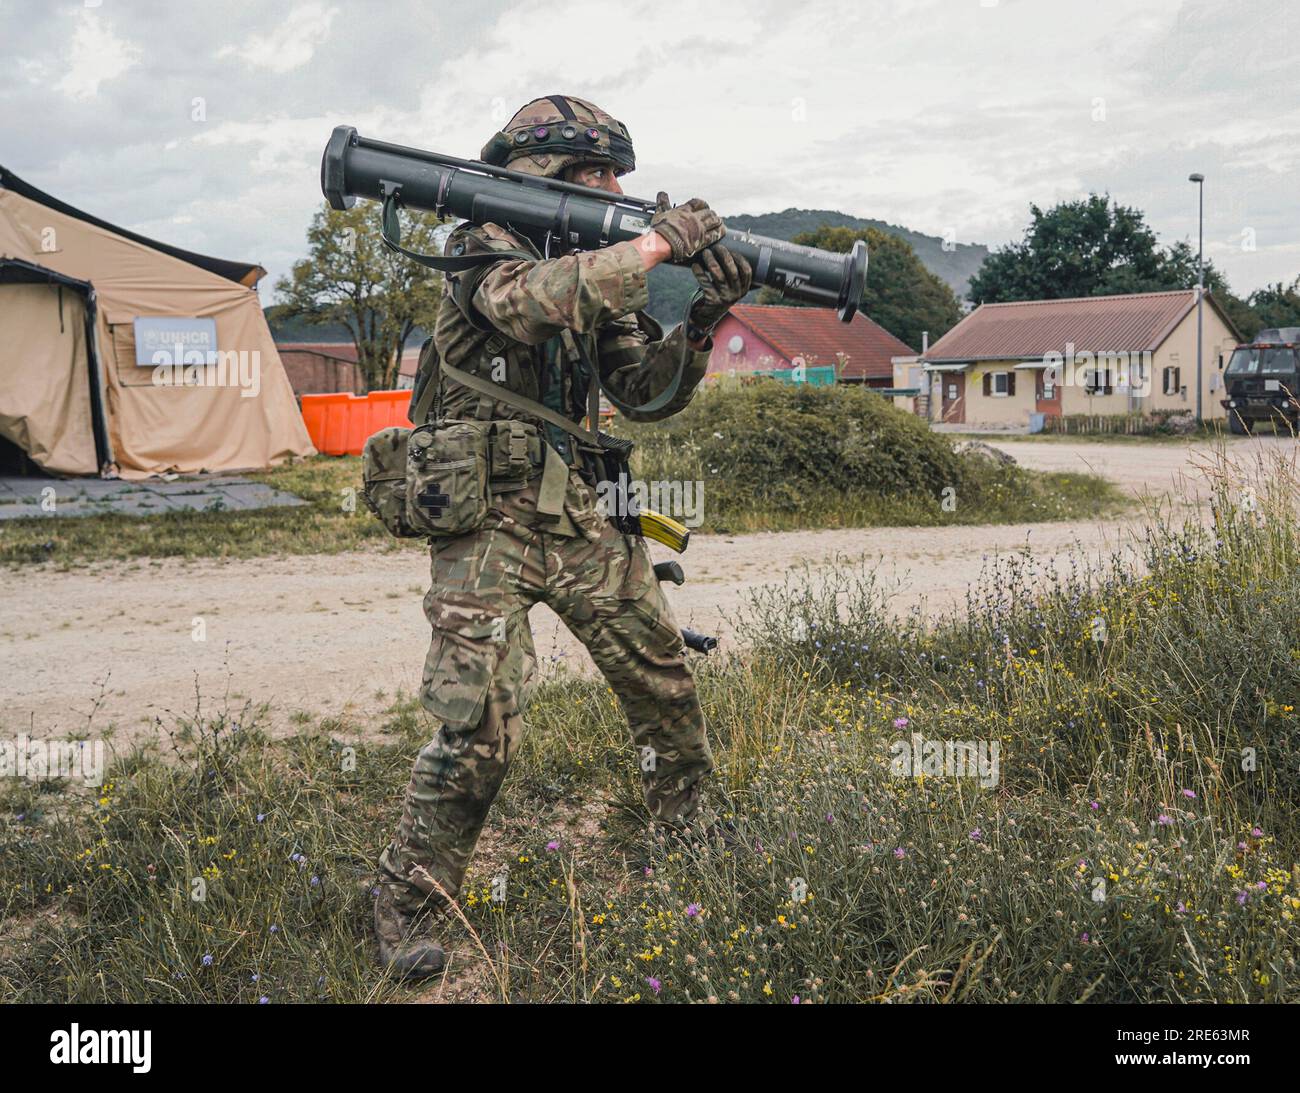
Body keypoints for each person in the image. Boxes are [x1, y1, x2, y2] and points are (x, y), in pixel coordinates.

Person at [374, 94, 751, 979]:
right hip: (485, 518)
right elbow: (533, 306)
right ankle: (407, 899)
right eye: (597, 175)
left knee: (660, 678)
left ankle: (690, 840)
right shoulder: (481, 246)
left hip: (577, 509)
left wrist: (697, 321)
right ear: (542, 177)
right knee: (480, 720)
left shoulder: (598, 271)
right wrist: (656, 246)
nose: (617, 189)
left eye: (619, 173)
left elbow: (645, 390)